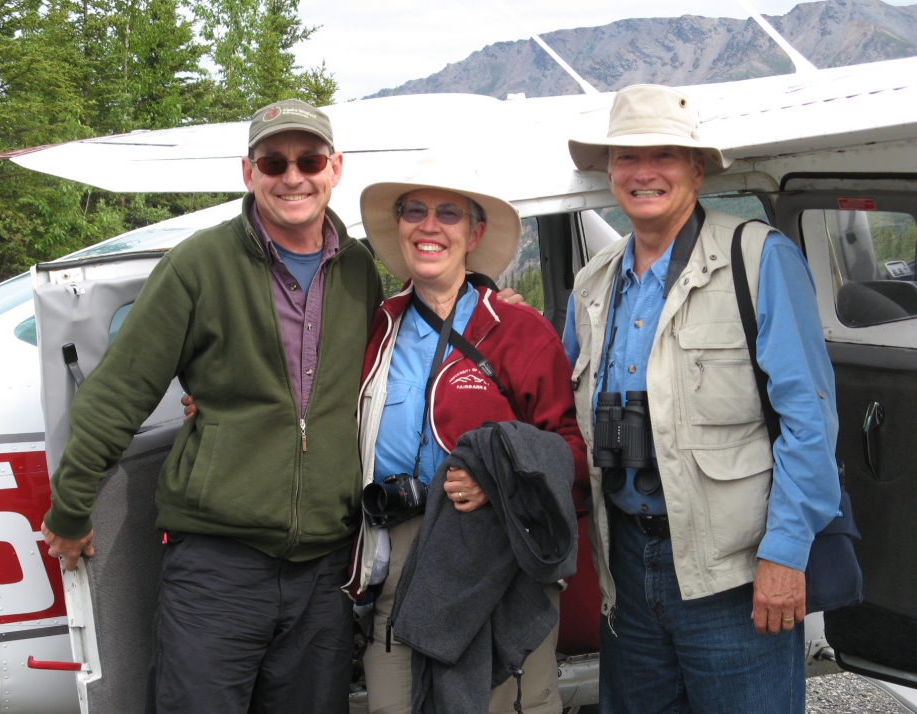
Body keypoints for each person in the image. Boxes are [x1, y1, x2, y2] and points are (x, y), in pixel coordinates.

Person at [40, 99, 384, 714]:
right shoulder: (200, 263)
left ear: (335, 168)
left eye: (307, 160)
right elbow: (119, 392)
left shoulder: (360, 270)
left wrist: (493, 302)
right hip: (218, 569)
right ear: (248, 173)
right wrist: (71, 509)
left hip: (325, 570)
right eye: (273, 162)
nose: (292, 177)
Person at [562, 84, 841, 712]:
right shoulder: (592, 287)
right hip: (628, 569)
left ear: (697, 167)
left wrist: (785, 554)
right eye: (626, 157)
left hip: (737, 575)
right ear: (609, 171)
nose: (642, 173)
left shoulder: (759, 260)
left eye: (663, 155)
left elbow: (811, 422)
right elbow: (561, 411)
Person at [344, 167, 590, 714]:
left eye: (448, 213)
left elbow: (573, 453)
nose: (429, 226)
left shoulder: (519, 331)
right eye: (415, 211)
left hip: (494, 560)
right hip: (399, 556)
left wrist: (498, 476)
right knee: (395, 705)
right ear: (400, 226)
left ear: (473, 236)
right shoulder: (376, 328)